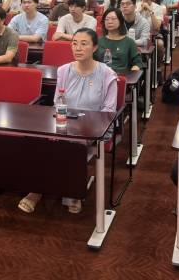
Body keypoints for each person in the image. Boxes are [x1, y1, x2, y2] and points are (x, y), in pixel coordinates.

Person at [18, 28, 118, 214]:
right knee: (36, 140)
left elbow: (108, 112)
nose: (78, 48)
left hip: (95, 128)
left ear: (95, 47)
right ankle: (57, 187)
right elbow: (58, 102)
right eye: (74, 43)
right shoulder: (64, 70)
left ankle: (57, 190)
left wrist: (85, 127)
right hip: (66, 125)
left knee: (70, 145)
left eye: (84, 44)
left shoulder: (107, 74)